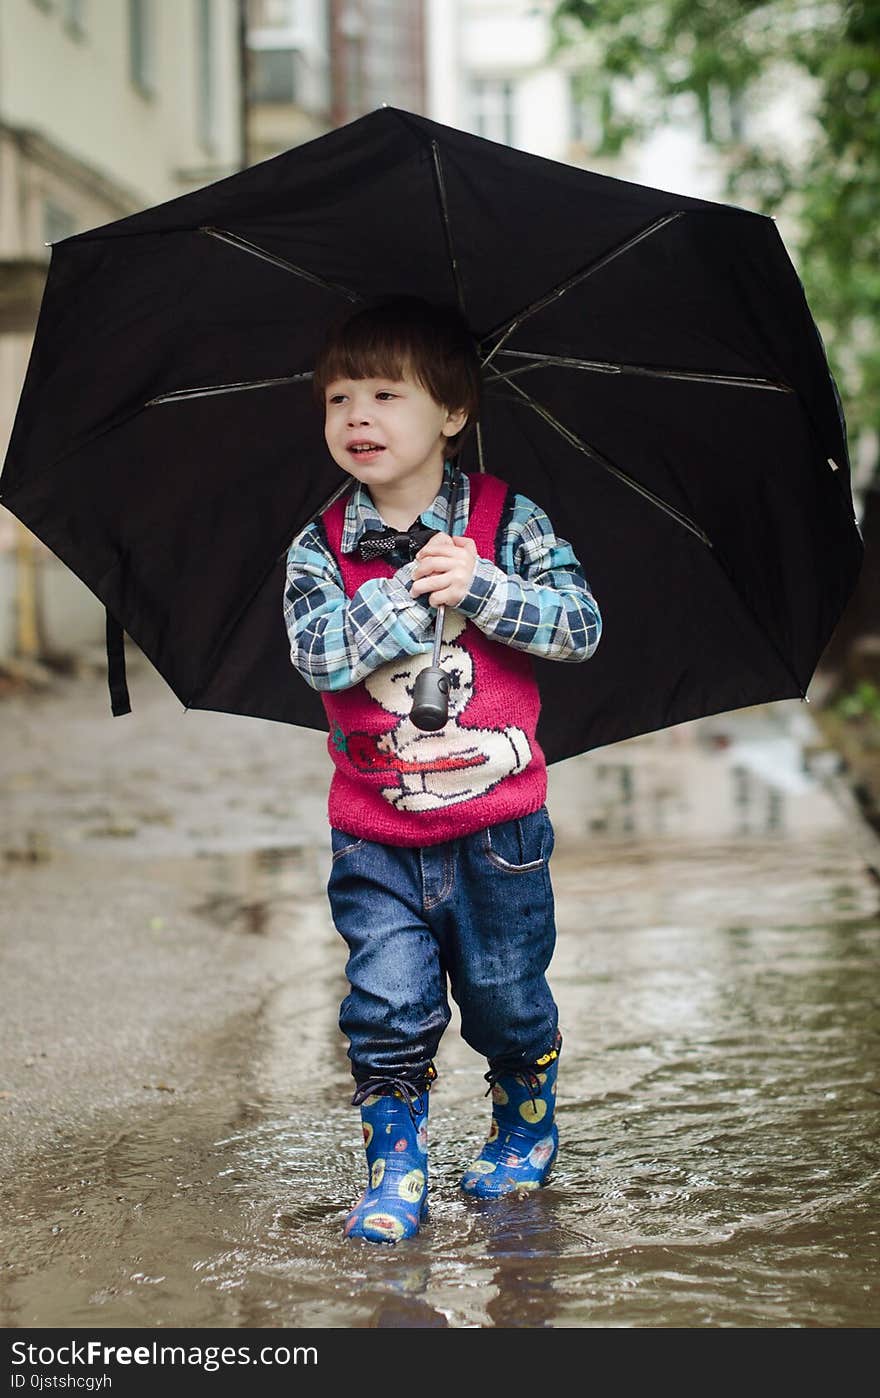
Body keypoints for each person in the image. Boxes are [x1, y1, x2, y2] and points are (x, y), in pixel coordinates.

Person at [283, 294, 602, 1244]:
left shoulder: (511, 521)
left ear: (453, 414)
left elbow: (580, 628)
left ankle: (524, 1119)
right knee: (385, 1003)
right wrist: (396, 593)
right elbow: (317, 655)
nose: (359, 418)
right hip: (374, 833)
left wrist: (483, 587)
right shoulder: (319, 545)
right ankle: (396, 1161)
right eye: (340, 399)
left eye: (387, 394)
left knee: (506, 995)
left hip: (499, 831)